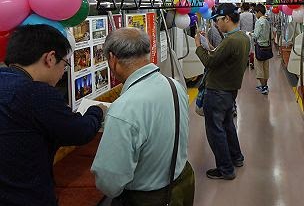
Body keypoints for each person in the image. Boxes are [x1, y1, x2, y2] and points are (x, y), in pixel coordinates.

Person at [0, 25, 104, 206]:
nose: (63, 72)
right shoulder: (36, 93)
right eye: (65, 64)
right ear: (50, 58)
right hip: (26, 196)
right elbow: (79, 132)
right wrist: (97, 111)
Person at [91, 27, 194, 206]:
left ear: (113, 59)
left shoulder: (123, 110)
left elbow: (109, 183)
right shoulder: (174, 86)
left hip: (147, 199)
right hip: (182, 183)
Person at [194, 3, 250, 180]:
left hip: (217, 91)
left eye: (218, 20)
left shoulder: (230, 40)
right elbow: (220, 58)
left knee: (215, 130)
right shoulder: (242, 38)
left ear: (227, 19)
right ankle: (236, 157)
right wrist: (209, 47)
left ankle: (225, 169)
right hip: (229, 90)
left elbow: (210, 62)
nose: (217, 24)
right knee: (227, 126)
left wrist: (198, 47)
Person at [251, 4, 272, 95]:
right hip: (267, 47)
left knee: (259, 68)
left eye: (255, 12)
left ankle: (264, 87)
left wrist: (249, 34)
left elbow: (255, 35)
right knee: (265, 68)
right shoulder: (267, 21)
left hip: (259, 47)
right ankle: (265, 85)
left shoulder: (259, 22)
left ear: (259, 12)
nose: (255, 14)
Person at [239, 3, 256, 69]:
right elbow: (255, 25)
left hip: (243, 34)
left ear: (242, 8)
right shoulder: (253, 15)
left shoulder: (240, 15)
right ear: (249, 8)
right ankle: (252, 62)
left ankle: (245, 62)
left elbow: (238, 26)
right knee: (251, 49)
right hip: (251, 33)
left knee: (244, 48)